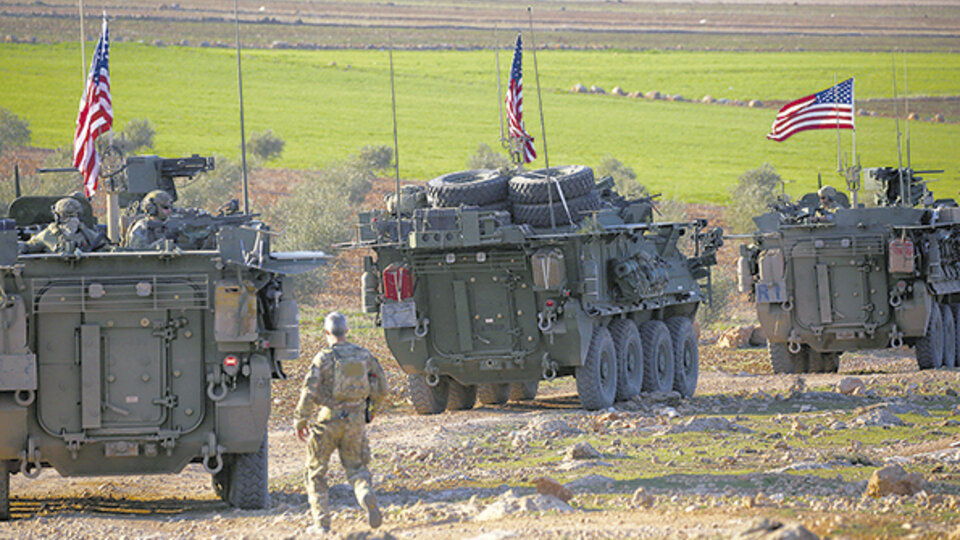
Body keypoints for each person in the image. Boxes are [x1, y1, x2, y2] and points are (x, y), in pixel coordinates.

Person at [294, 312, 389, 534]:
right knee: (357, 468)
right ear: (347, 331)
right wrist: (371, 410)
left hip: (328, 419)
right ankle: (365, 493)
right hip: (356, 419)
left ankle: (321, 523)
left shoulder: (324, 358)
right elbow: (382, 388)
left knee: (315, 472)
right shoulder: (363, 356)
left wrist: (301, 420)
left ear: (327, 333)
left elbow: (309, 390)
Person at [20, 197, 106, 254]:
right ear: (58, 218)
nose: (72, 220)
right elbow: (29, 246)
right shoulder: (47, 235)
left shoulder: (87, 235)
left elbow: (105, 248)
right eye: (66, 216)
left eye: (75, 216)